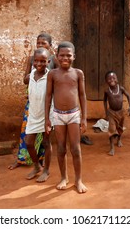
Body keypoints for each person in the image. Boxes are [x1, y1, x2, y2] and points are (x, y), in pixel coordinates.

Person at [8, 33, 56, 170]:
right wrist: (34, 76)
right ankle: (23, 159)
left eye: (44, 43)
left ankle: (43, 162)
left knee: (45, 138)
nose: (40, 45)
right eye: (38, 43)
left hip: (47, 104)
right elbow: (25, 79)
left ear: (50, 46)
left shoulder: (53, 60)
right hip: (33, 103)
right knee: (26, 134)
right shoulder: (31, 59)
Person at [45, 41, 88, 194]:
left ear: (74, 57)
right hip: (58, 115)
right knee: (61, 148)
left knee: (76, 149)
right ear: (56, 56)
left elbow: (82, 95)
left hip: (74, 115)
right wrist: (47, 119)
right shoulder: (52, 74)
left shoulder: (78, 73)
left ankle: (78, 180)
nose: (65, 58)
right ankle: (64, 177)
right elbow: (48, 96)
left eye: (68, 55)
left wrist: (84, 118)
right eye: (62, 55)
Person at [25, 48, 53, 182]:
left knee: (46, 143)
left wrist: (49, 118)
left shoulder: (50, 76)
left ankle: (46, 170)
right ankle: (37, 166)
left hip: (46, 115)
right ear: (33, 62)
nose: (39, 63)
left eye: (43, 61)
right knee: (28, 142)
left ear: (48, 61)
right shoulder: (31, 75)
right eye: (36, 61)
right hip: (33, 114)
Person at [103, 71, 130, 156]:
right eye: (109, 79)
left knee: (120, 127)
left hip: (121, 112)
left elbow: (128, 96)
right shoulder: (107, 91)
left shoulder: (121, 89)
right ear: (106, 81)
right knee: (112, 129)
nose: (112, 80)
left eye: (114, 78)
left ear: (117, 79)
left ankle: (119, 139)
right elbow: (105, 101)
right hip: (111, 113)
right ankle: (112, 147)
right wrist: (106, 112)